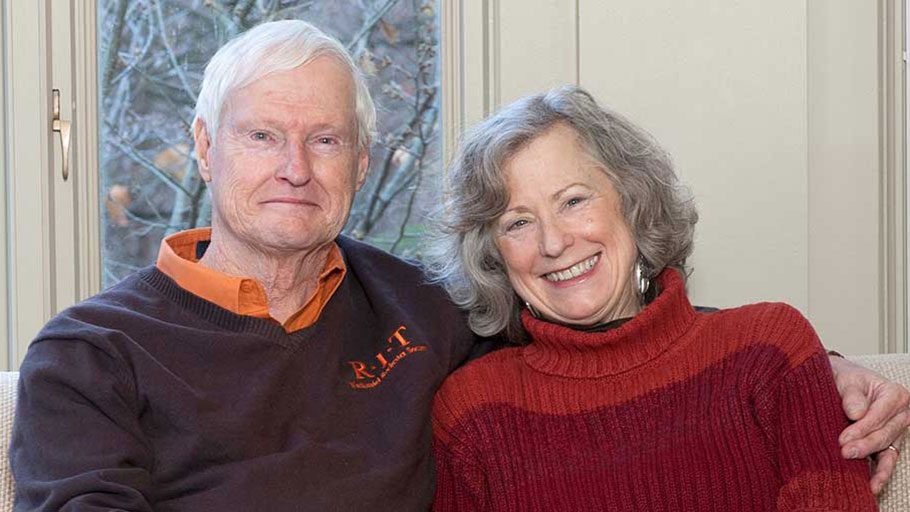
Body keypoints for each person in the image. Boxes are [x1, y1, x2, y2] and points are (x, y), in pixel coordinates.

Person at [7, 21, 907, 511]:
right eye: (262, 136)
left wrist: (814, 371)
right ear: (205, 147)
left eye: (326, 139)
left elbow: (600, 339)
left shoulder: (420, 309)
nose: (295, 169)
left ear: (363, 162)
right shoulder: (90, 354)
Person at [426, 86, 903, 510]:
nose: (552, 243)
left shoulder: (769, 351)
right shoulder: (473, 413)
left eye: (573, 201)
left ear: (633, 202)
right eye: (518, 223)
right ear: (493, 254)